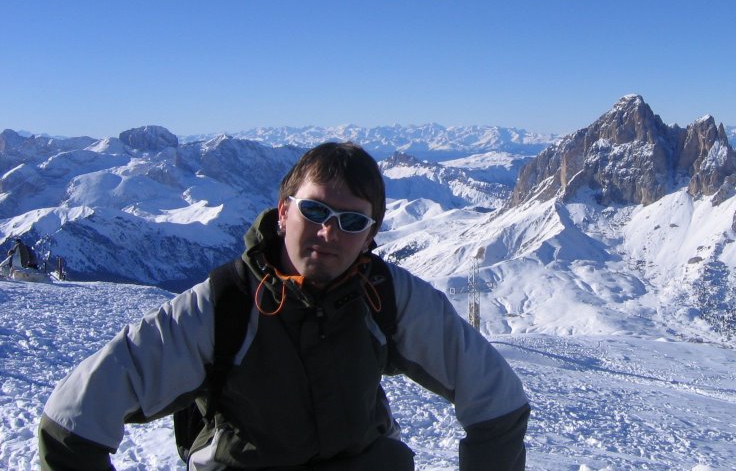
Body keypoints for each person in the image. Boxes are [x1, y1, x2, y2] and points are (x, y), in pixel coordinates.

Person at [38, 142, 529, 471]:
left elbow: (494, 393)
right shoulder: (224, 304)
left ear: (372, 237)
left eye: (351, 222)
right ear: (284, 212)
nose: (328, 232)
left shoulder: (387, 295)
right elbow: (73, 417)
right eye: (315, 210)